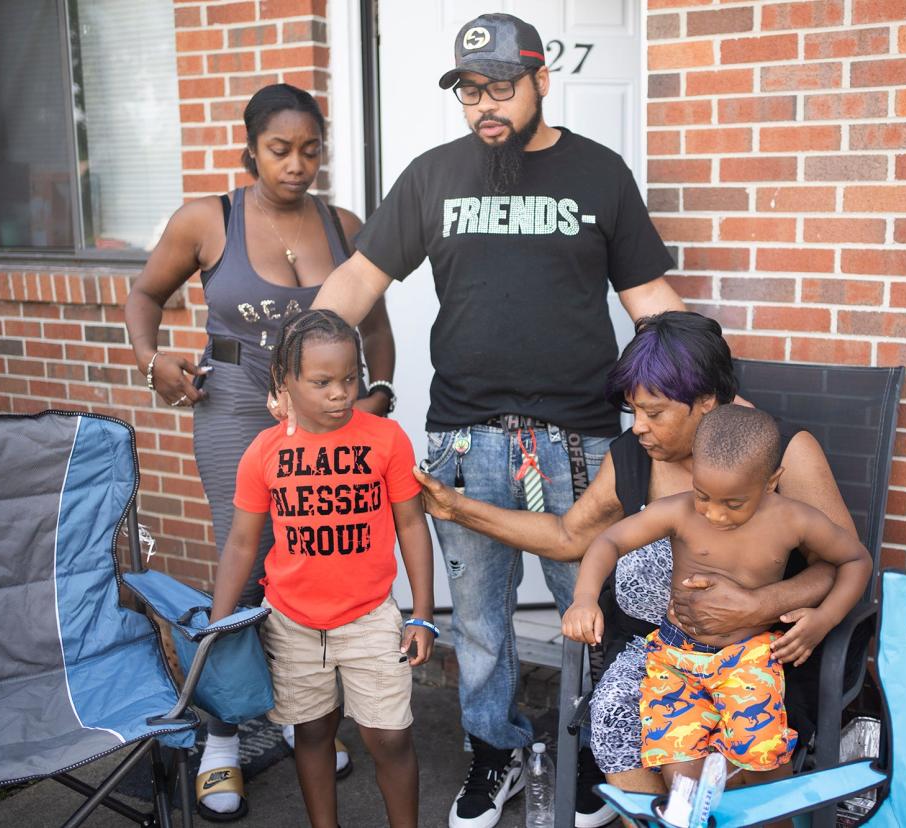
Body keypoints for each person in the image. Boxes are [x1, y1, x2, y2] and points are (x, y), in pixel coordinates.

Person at [290, 13, 690, 828]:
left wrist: (708, 398)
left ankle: (598, 752)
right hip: (465, 436)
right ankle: (495, 750)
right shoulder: (435, 175)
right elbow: (358, 281)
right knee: (477, 619)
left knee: (597, 605)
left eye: (500, 87)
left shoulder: (600, 174)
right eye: (472, 90)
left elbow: (650, 304)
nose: (485, 106)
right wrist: (294, 368)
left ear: (543, 79)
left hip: (578, 438)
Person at [414, 311, 859, 797]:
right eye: (634, 411)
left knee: (705, 767)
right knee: (619, 727)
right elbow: (569, 535)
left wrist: (760, 604)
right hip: (658, 661)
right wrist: (456, 509)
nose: (640, 427)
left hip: (757, 662)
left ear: (707, 402)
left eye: (656, 412)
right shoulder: (633, 454)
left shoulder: (779, 456)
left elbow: (839, 564)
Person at [123, 83, 396, 819]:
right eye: (281, 150)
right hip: (237, 407)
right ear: (250, 149)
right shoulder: (208, 219)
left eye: (311, 150)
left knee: (323, 560)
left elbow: (375, 328)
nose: (297, 164)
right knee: (243, 569)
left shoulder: (342, 224)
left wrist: (379, 395)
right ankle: (221, 738)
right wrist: (155, 363)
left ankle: (310, 719)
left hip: (327, 418)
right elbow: (143, 295)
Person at [563, 405, 871, 802]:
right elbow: (609, 541)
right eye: (703, 495)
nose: (714, 513)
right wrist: (585, 598)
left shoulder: (794, 519)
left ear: (772, 482)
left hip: (747, 659)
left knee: (763, 763)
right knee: (681, 777)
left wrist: (823, 619)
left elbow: (855, 559)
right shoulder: (680, 511)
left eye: (733, 503)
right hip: (676, 657)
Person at [209, 309, 436, 828]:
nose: (341, 393)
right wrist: (218, 626)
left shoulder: (386, 439)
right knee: (311, 733)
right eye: (322, 382)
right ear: (283, 382)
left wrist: (422, 614)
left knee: (391, 737)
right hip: (291, 621)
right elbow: (243, 543)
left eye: (351, 378)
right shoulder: (264, 451)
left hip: (369, 617)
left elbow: (412, 527)